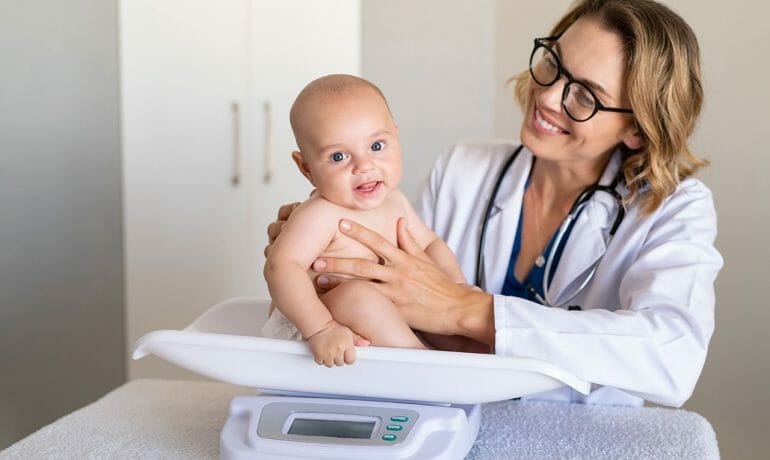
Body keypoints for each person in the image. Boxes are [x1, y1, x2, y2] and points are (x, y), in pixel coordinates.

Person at [267, 0, 723, 407]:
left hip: (577, 431)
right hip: (440, 412)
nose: (545, 96)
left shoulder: (674, 208)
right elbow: (389, 285)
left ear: (638, 130)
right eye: (553, 65)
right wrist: (321, 264)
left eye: (585, 96)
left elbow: (674, 356)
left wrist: (467, 309)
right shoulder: (464, 169)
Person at [263, 74, 470, 368]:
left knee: (437, 314)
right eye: (338, 156)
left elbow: (432, 244)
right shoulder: (320, 214)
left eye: (376, 146)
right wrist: (321, 328)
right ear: (306, 168)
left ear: (396, 137)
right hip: (314, 326)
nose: (363, 166)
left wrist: (457, 287)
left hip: (382, 322)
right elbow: (280, 266)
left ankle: (461, 350)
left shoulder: (395, 201)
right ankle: (422, 362)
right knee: (358, 296)